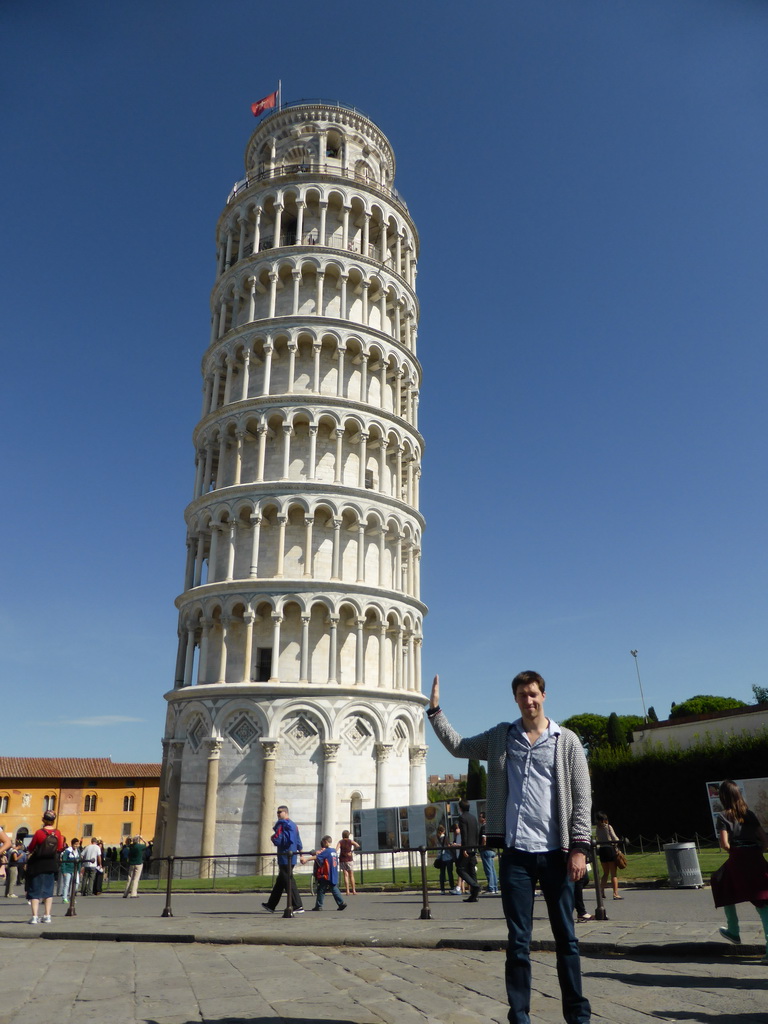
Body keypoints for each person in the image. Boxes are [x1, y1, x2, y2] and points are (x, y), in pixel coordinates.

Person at [427, 671, 591, 1024]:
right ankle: (519, 1017)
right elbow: (458, 746)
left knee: (567, 938)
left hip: (557, 854)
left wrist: (579, 847)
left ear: (544, 695)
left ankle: (578, 1016)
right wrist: (436, 713)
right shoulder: (502, 737)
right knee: (518, 942)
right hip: (516, 855)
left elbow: (582, 799)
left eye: (533, 694)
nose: (528, 700)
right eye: (521, 695)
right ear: (515, 699)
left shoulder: (568, 742)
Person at [711, 778, 768, 963]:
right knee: (762, 901)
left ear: (724, 797)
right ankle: (734, 931)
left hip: (738, 858)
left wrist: (736, 851)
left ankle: (733, 929)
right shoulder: (749, 814)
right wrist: (756, 851)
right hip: (756, 857)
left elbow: (725, 843)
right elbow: (764, 839)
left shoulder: (723, 816)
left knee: (721, 884)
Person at [262, 805, 304, 914]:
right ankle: (271, 905)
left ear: (285, 812)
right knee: (280, 881)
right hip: (292, 855)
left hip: (284, 855)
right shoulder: (294, 825)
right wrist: (301, 854)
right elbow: (298, 841)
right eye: (277, 812)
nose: (278, 814)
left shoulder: (282, 824)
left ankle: (297, 905)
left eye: (280, 812)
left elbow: (278, 840)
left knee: (288, 880)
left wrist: (272, 837)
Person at [25, 810, 65, 924]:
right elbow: (59, 848)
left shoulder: (39, 833)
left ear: (43, 819)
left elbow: (31, 847)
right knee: (48, 891)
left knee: (34, 891)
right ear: (53, 821)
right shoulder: (57, 833)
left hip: (37, 864)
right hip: (51, 864)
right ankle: (47, 915)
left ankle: (34, 917)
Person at [303, 836, 347, 911]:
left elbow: (317, 857)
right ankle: (341, 903)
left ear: (326, 842)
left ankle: (319, 905)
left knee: (321, 889)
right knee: (334, 887)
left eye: (323, 843)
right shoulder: (334, 851)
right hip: (333, 872)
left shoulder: (327, 851)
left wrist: (306, 859)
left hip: (327, 873)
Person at [454, 800, 481, 902]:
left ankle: (475, 886)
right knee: (471, 870)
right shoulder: (473, 818)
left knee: (460, 869)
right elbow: (476, 833)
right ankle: (474, 895)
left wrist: (464, 848)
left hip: (467, 848)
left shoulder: (462, 818)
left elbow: (464, 834)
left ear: (460, 808)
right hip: (473, 846)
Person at [595, 812, 622, 900]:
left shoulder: (597, 828)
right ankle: (615, 893)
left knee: (605, 873)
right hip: (610, 849)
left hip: (602, 850)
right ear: (604, 820)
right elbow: (615, 838)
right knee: (613, 874)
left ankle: (601, 891)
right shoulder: (608, 827)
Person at [480, 812, 499, 894]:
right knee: (492, 869)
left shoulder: (484, 827)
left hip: (486, 849)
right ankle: (495, 887)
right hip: (492, 850)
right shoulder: (492, 827)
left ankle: (491, 887)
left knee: (488, 870)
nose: (479, 818)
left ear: (484, 818)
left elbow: (484, 839)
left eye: (480, 817)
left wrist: (481, 847)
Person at [336, 830, 360, 895]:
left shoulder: (340, 842)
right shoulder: (350, 841)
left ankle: (347, 891)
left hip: (342, 859)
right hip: (349, 859)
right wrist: (352, 851)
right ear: (348, 835)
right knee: (351, 875)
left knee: (345, 875)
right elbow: (357, 845)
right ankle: (354, 890)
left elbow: (336, 849)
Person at [435, 823, 456, 894]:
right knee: (450, 873)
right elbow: (449, 846)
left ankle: (442, 889)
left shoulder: (437, 839)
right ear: (443, 831)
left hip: (441, 857)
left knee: (442, 874)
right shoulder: (446, 838)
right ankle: (452, 887)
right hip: (448, 857)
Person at [59, 838, 81, 903]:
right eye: (75, 844)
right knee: (67, 884)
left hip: (75, 870)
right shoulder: (67, 851)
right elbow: (64, 861)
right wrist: (64, 870)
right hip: (68, 870)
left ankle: (72, 897)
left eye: (77, 844)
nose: (76, 846)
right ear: (72, 844)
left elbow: (79, 861)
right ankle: (64, 898)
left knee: (76, 883)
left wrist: (79, 870)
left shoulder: (78, 851)